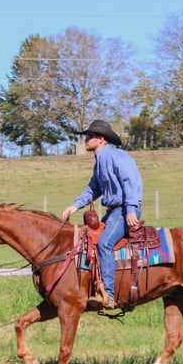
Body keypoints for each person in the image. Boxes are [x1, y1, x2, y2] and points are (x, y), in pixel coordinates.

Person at [62, 120, 143, 310]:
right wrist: (75, 206)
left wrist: (131, 208)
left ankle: (109, 294)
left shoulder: (117, 156)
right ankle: (92, 286)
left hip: (123, 209)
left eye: (89, 137)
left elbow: (129, 180)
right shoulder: (100, 161)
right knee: (89, 240)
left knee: (105, 243)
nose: (86, 140)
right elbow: (93, 188)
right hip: (114, 211)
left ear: (101, 139)